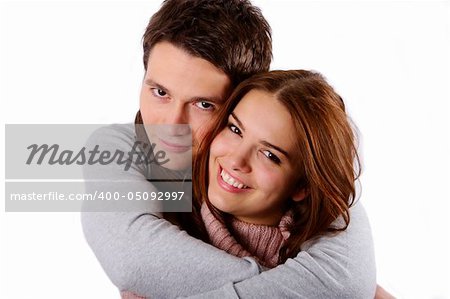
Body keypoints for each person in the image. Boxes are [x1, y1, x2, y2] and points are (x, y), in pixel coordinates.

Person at [81, 0, 379, 298]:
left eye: (203, 104)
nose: (172, 124)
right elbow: (134, 257)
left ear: (240, 101)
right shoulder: (118, 146)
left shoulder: (309, 175)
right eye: (160, 92)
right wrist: (297, 282)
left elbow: (344, 282)